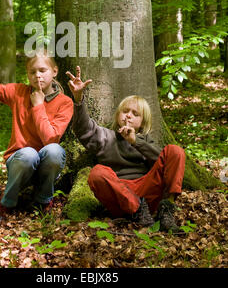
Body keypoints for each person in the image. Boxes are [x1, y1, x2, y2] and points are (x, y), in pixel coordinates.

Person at [66, 66, 185, 232]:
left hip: (147, 191)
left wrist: (136, 141)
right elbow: (84, 129)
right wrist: (78, 99)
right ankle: (137, 210)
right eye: (125, 111)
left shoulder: (146, 141)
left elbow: (164, 161)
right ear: (118, 116)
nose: (128, 115)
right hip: (121, 195)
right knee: (97, 172)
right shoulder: (106, 136)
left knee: (175, 150)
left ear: (142, 123)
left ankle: (167, 210)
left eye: (135, 114)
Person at [0, 22, 73, 216]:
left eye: (42, 70)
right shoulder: (18, 92)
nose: (37, 76)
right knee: (28, 154)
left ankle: (42, 200)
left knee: (55, 150)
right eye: (32, 72)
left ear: (54, 71)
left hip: (44, 167)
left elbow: (50, 139)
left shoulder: (65, 102)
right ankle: (8, 202)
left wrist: (38, 106)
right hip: (20, 162)